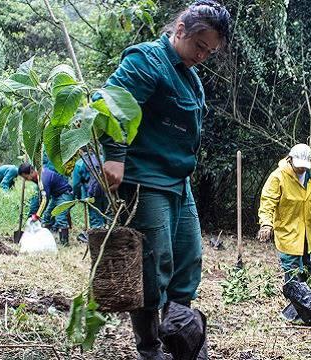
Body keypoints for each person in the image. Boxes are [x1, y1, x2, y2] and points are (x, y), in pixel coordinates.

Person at [99, 2, 230, 358]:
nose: (202, 55)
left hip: (178, 181)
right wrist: (114, 155)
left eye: (210, 51)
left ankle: (181, 338)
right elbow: (110, 103)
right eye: (199, 46)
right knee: (152, 268)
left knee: (188, 259)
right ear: (181, 29)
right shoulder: (147, 61)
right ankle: (150, 346)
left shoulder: (189, 75)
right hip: (146, 181)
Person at [256, 143, 311, 283]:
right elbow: (267, 202)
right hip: (288, 231)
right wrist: (266, 224)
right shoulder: (278, 177)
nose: (302, 168)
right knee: (292, 269)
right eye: (299, 165)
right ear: (290, 160)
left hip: (309, 231)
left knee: (308, 267)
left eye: (305, 165)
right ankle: (293, 299)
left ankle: (306, 296)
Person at [18, 163, 74, 245]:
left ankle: (64, 243)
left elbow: (45, 200)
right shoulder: (38, 175)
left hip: (65, 194)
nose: (26, 180)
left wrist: (37, 215)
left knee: (60, 218)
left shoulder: (43, 178)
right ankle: (47, 240)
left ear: (32, 171)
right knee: (48, 216)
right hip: (56, 196)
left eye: (26, 177)